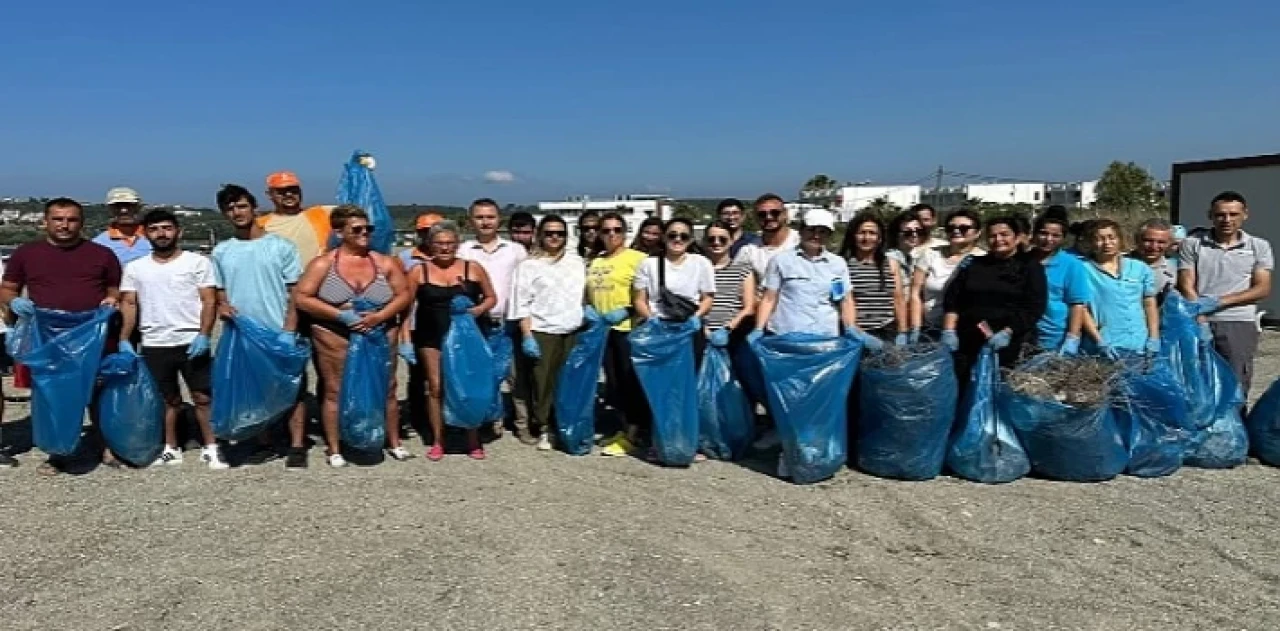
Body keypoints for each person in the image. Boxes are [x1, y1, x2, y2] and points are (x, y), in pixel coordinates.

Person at [0, 198, 122, 473]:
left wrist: (111, 300)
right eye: (58, 219)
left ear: (81, 223)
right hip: (48, 338)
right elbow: (7, 289)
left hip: (93, 335)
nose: (65, 225)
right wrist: (14, 302)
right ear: (45, 222)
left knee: (99, 392)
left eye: (71, 220)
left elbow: (114, 288)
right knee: (54, 395)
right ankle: (58, 452)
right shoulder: (26, 253)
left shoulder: (102, 254)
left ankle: (106, 447)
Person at [294, 205, 414, 466]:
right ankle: (334, 447)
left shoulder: (384, 262)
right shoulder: (324, 264)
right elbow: (302, 297)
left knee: (388, 387)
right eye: (357, 229)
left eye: (368, 228)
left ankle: (394, 441)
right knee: (335, 390)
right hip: (335, 334)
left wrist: (381, 316)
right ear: (339, 232)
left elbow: (404, 294)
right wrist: (341, 316)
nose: (364, 233)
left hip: (380, 332)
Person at [118, 209, 227, 469]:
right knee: (168, 400)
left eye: (167, 228)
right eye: (154, 229)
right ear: (146, 234)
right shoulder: (135, 268)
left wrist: (204, 334)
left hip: (190, 340)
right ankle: (170, 447)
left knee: (203, 397)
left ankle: (212, 447)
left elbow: (209, 300)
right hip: (155, 342)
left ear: (178, 231)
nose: (161, 234)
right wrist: (124, 339)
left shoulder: (197, 262)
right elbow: (129, 303)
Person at [210, 184, 308, 468]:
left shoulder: (281, 247)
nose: (236, 212)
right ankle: (264, 441)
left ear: (254, 208)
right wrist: (223, 306)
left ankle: (297, 444)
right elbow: (220, 291)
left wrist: (289, 330)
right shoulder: (222, 251)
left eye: (241, 206)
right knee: (254, 387)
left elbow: (295, 292)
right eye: (229, 208)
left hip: (277, 329)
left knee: (293, 386)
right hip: (243, 334)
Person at [403, 220, 498, 461]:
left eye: (449, 243)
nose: (445, 248)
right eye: (439, 243)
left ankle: (472, 437)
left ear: (457, 244)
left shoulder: (472, 268)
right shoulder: (418, 271)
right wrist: (405, 339)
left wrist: (477, 311)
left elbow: (491, 297)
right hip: (430, 335)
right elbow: (405, 307)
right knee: (435, 387)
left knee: (467, 385)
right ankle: (438, 439)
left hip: (466, 337)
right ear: (429, 245)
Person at [1178, 191, 1274, 396]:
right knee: (1198, 381)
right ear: (1210, 215)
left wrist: (1219, 301)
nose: (1227, 219)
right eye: (1220, 214)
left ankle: (1235, 418)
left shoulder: (1259, 246)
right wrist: (1199, 315)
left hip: (1238, 322)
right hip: (1198, 321)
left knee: (1235, 381)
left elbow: (1262, 288)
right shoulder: (1192, 243)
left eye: (1233, 214)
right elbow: (1186, 283)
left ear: (1245, 215)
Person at [508, 216, 586, 450]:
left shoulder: (577, 262)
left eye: (560, 233)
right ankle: (543, 427)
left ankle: (564, 424)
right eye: (549, 233)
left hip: (572, 330)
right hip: (543, 331)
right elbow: (521, 303)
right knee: (542, 384)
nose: (554, 237)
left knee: (568, 382)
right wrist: (527, 335)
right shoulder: (528, 266)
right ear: (540, 235)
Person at [941, 215, 1047, 384]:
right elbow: (952, 299)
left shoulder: (1030, 267)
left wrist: (1008, 332)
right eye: (992, 235)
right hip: (969, 343)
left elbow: (1034, 307)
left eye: (1004, 234)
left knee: (1003, 389)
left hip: (1011, 344)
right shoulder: (974, 264)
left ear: (1017, 237)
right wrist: (949, 330)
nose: (998, 239)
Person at [458, 198, 528, 438]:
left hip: (510, 321)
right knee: (482, 374)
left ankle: (522, 424)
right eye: (479, 217)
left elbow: (526, 285)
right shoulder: (463, 251)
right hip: (477, 322)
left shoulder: (515, 250)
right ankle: (489, 421)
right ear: (471, 221)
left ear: (499, 220)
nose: (485, 222)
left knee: (515, 376)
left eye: (490, 217)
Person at [586, 213, 651, 457]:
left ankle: (634, 434)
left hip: (628, 329)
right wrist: (588, 309)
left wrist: (629, 310)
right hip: (603, 331)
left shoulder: (638, 258)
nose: (611, 234)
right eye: (606, 230)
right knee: (614, 384)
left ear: (625, 233)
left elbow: (649, 294)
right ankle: (623, 429)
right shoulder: (596, 261)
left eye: (617, 230)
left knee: (630, 383)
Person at [633, 218, 717, 361]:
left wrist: (695, 317)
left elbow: (708, 298)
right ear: (664, 237)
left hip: (689, 327)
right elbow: (639, 300)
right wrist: (651, 320)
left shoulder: (701, 262)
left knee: (689, 371)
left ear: (690, 240)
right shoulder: (648, 264)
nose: (678, 239)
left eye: (684, 236)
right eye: (672, 235)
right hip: (658, 328)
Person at [1079, 220, 1159, 357]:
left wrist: (1154, 337)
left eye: (1111, 237)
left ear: (1120, 240)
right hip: (1105, 343)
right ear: (1091, 243)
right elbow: (1081, 309)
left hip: (1139, 343)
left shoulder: (1139, 268)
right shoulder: (1082, 270)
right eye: (1100, 239)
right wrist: (1099, 341)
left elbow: (1149, 304)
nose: (1107, 243)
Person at [399, 212, 445, 432]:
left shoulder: (450, 255)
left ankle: (444, 417)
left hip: (443, 325)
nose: (429, 236)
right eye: (424, 232)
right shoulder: (405, 258)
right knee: (417, 376)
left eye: (434, 231)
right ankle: (417, 418)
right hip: (415, 325)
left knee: (444, 375)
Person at [1026, 208, 1090, 353]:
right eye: (1043, 233)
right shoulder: (1022, 261)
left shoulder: (1071, 264)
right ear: (1034, 234)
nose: (1048, 239)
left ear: (1063, 238)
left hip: (1055, 339)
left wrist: (1072, 337)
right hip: (1023, 335)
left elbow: (1077, 304)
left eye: (1056, 235)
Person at [910, 209, 984, 335]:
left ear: (977, 233)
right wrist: (916, 327)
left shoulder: (983, 259)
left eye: (963, 228)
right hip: (930, 328)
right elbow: (915, 294)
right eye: (951, 228)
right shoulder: (930, 254)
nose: (956, 231)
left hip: (966, 331)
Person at [839, 213, 908, 342]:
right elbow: (845, 301)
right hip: (858, 333)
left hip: (888, 330)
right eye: (862, 233)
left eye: (872, 233)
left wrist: (902, 331)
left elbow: (898, 299)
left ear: (879, 238)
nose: (866, 238)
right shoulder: (843, 264)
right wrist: (855, 332)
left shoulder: (891, 263)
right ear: (853, 236)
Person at [701, 221, 757, 349]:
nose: (716, 243)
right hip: (700, 335)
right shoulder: (697, 268)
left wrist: (727, 328)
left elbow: (749, 307)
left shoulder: (744, 270)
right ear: (705, 241)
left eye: (722, 239)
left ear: (731, 241)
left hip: (733, 335)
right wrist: (703, 329)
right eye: (711, 239)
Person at [256, 171, 332, 265]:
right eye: (281, 191)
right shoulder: (259, 225)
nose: (289, 194)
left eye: (294, 190)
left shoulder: (322, 213)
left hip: (319, 273)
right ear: (269, 195)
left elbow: (348, 209)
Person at [734, 194, 802, 289]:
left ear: (785, 214)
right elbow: (736, 285)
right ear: (756, 218)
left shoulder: (801, 243)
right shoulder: (749, 252)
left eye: (775, 212)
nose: (769, 217)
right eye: (762, 214)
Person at [93, 187, 152, 266]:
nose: (124, 210)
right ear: (110, 210)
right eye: (118, 206)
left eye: (129, 205)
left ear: (138, 208)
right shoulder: (99, 244)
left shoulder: (155, 237)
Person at [1129, 218, 1177, 295]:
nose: (1153, 247)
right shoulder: (1119, 264)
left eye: (1161, 242)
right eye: (1148, 240)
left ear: (1169, 244)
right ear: (1137, 240)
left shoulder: (1175, 270)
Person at [886, 210, 924, 299]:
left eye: (918, 231)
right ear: (896, 235)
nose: (914, 235)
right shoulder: (889, 260)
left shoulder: (913, 258)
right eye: (908, 232)